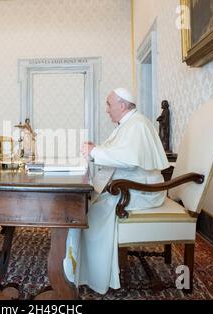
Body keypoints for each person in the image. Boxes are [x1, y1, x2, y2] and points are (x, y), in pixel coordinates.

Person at [63, 88, 169, 294]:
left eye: (109, 104)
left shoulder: (137, 124)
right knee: (84, 206)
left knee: (87, 213)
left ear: (122, 105)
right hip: (132, 185)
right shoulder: (129, 124)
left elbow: (128, 160)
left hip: (141, 191)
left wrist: (95, 151)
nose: (107, 110)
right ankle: (80, 268)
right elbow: (120, 152)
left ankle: (92, 274)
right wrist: (97, 149)